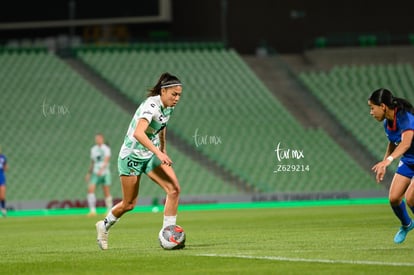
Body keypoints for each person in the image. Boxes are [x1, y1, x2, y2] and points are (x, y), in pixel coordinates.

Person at [95, 72, 183, 250]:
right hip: (131, 157)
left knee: (173, 190)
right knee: (129, 204)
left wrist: (163, 148)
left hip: (150, 154)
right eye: (174, 94)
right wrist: (159, 153)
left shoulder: (169, 107)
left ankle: (169, 236)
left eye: (179, 95)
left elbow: (162, 126)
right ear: (163, 91)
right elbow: (138, 133)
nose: (177, 98)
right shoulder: (150, 106)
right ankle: (104, 225)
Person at [368, 88, 414, 244]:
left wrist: (388, 161)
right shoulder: (388, 123)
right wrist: (384, 163)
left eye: (372, 108)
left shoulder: (405, 117)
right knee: (394, 198)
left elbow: (406, 143)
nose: (371, 112)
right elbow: (393, 142)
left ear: (383, 106)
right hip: (409, 160)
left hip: (409, 156)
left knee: (410, 198)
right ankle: (407, 224)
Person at [85, 134, 112, 217]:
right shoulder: (93, 149)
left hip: (105, 173)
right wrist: (89, 173)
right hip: (95, 173)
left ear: (102, 139)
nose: (98, 140)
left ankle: (109, 210)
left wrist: (102, 170)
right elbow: (93, 162)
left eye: (99, 138)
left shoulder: (106, 149)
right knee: (90, 190)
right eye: (96, 139)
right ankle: (92, 210)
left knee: (106, 191)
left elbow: (106, 160)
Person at [0, 146, 8, 217]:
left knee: (2, 196)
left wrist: (5, 167)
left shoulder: (3, 157)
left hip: (1, 177)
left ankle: (3, 209)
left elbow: (6, 168)